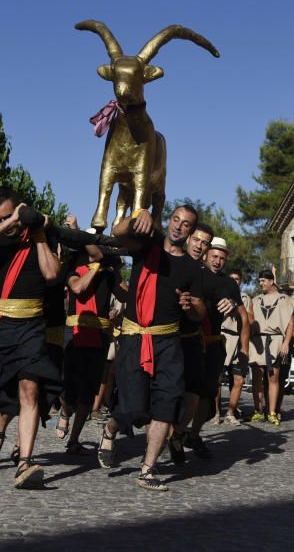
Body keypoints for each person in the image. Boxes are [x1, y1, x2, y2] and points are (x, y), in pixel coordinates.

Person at [96, 205, 205, 491]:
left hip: (169, 343)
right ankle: (110, 428)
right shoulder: (147, 247)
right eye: (176, 220)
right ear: (170, 221)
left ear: (191, 232)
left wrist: (192, 305)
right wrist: (138, 215)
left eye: (186, 224)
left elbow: (199, 312)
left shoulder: (193, 268)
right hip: (134, 338)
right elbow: (118, 233)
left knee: (166, 405)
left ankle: (147, 470)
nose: (179, 226)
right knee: (134, 408)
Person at [0, 186, 63, 489]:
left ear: (22, 207)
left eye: (11, 214)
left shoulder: (42, 234)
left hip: (31, 325)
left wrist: (39, 234)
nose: (9, 222)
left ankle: (25, 462)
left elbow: (52, 274)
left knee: (29, 389)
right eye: (1, 217)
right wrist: (8, 223)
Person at [61, 246, 124, 456]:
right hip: (74, 331)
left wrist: (116, 271)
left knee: (89, 390)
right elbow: (79, 289)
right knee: (67, 386)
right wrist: (95, 267)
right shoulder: (73, 270)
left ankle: (74, 440)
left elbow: (126, 295)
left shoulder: (108, 274)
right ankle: (64, 409)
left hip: (100, 334)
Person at [184, 237, 243, 457]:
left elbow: (242, 317)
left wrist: (234, 306)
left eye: (222, 258)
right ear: (207, 254)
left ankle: (194, 434)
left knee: (207, 395)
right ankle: (175, 435)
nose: (217, 261)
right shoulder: (193, 274)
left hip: (213, 343)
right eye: (214, 256)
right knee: (184, 392)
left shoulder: (228, 284)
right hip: (188, 340)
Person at [168, 223, 215, 465]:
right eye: (196, 239)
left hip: (192, 340)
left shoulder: (206, 274)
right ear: (187, 239)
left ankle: (177, 436)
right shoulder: (170, 262)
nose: (199, 245)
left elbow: (210, 306)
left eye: (205, 242)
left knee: (193, 397)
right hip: (166, 338)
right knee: (166, 394)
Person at [248, 270, 294, 426]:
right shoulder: (255, 300)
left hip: (275, 340)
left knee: (273, 377)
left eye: (263, 281)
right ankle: (258, 410)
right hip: (258, 340)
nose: (261, 284)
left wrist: (286, 342)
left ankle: (272, 412)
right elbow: (250, 319)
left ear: (271, 281)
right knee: (256, 378)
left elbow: (289, 323)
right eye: (259, 281)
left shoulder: (285, 300)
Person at [221, 268, 250, 425]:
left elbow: (249, 320)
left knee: (239, 379)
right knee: (216, 379)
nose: (234, 281)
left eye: (237, 279)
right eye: (231, 278)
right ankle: (215, 412)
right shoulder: (219, 294)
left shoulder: (245, 298)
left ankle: (230, 411)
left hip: (238, 339)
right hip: (222, 337)